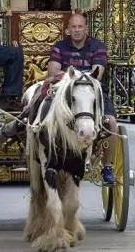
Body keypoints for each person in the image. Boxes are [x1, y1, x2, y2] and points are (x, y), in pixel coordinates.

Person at [46, 13, 118, 185]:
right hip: (67, 94)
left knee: (112, 122)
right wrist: (65, 78)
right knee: (47, 120)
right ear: (68, 30)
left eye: (80, 27)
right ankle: (52, 159)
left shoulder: (97, 47)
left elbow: (97, 73)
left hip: (93, 92)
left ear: (86, 29)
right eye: (73, 27)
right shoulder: (60, 47)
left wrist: (73, 75)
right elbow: (52, 73)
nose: (77, 30)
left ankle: (107, 167)